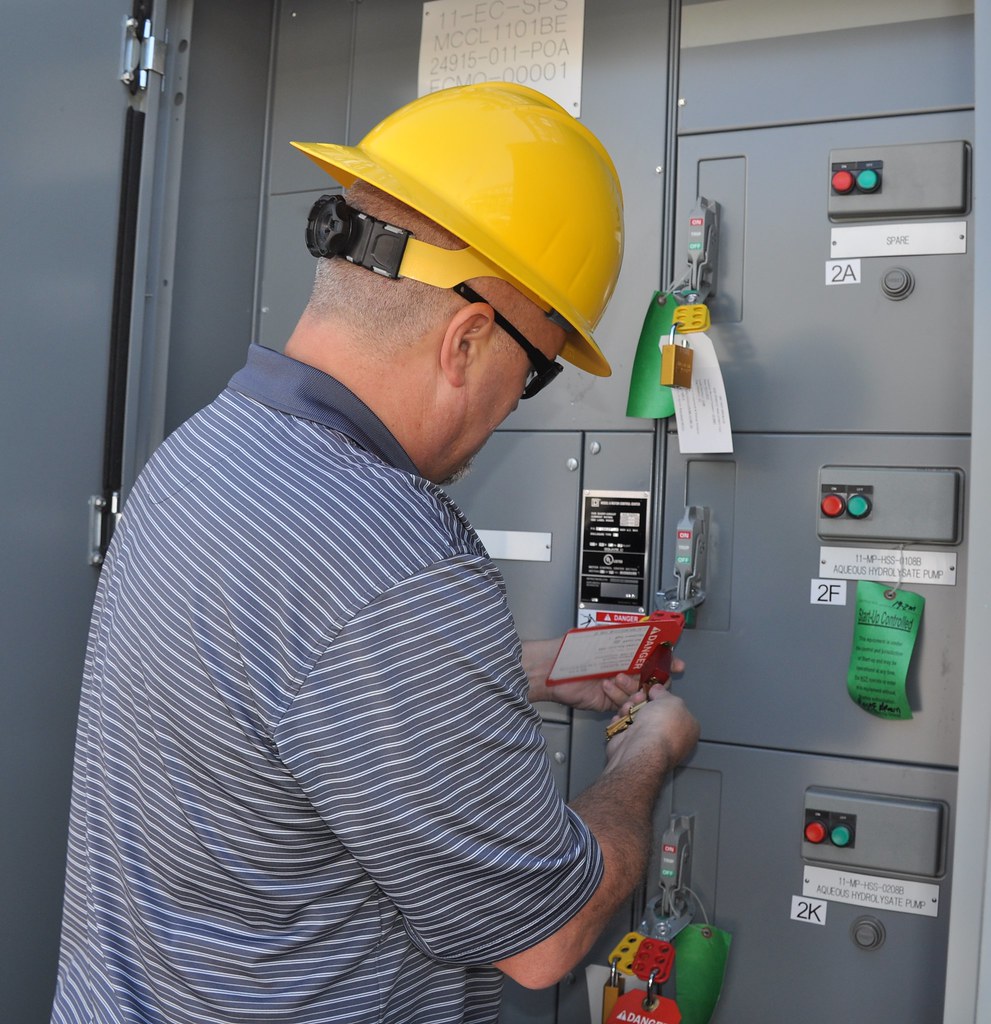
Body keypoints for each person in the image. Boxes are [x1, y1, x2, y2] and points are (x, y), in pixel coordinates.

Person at [51, 83, 698, 1024]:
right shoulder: (398, 561)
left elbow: (284, 684)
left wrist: (531, 668)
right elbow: (545, 940)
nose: (513, 409)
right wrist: (646, 754)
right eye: (533, 376)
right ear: (467, 341)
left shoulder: (206, 450)